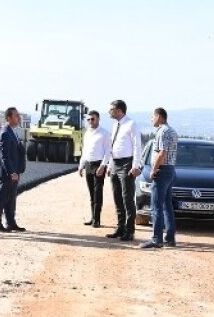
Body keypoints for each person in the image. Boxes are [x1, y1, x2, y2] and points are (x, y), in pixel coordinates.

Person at [97, 99, 142, 241]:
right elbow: (112, 147)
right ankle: (120, 227)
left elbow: (137, 146)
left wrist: (135, 165)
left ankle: (130, 231)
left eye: (111, 109)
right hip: (115, 164)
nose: (109, 112)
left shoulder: (131, 124)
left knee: (127, 198)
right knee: (117, 198)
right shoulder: (115, 125)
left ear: (118, 110)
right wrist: (109, 165)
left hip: (127, 164)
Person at [139, 107, 179, 249]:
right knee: (167, 205)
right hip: (170, 170)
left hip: (162, 171)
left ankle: (157, 239)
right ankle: (170, 238)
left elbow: (162, 153)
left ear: (159, 116)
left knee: (156, 206)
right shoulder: (172, 131)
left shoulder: (162, 132)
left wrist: (154, 169)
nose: (151, 119)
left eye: (152, 116)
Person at [0, 107, 27, 233]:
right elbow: (4, 156)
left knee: (11, 199)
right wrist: (11, 172)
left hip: (15, 172)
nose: (19, 117)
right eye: (16, 115)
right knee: (2, 198)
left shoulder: (13, 132)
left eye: (19, 115)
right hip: (8, 173)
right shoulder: (5, 133)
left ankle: (11, 223)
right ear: (8, 118)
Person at [76, 109, 108, 227]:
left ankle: (97, 220)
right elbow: (85, 151)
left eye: (92, 119)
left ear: (98, 119)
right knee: (91, 193)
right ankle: (93, 217)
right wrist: (81, 166)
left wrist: (103, 166)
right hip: (88, 165)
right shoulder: (87, 133)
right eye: (88, 119)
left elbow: (108, 151)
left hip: (98, 165)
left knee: (98, 193)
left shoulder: (104, 133)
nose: (90, 121)